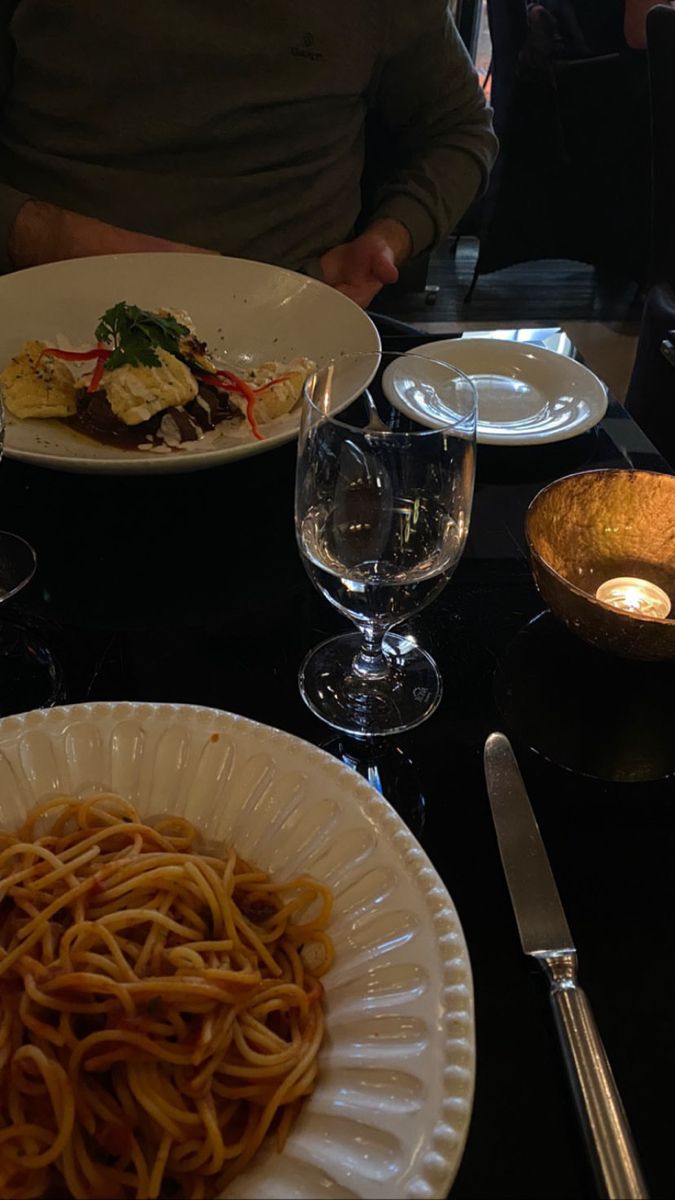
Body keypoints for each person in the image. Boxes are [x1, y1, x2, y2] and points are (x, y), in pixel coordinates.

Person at [0, 2, 497, 309]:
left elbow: (460, 127)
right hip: (38, 309)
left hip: (291, 328)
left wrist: (389, 238)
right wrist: (46, 237)